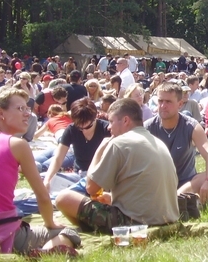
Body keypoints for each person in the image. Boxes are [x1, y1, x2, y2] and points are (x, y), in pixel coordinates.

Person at [0, 88, 80, 256]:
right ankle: (41, 252)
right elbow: (43, 196)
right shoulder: (17, 144)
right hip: (3, 232)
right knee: (70, 233)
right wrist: (50, 223)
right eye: (20, 109)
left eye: (27, 109)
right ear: (1, 112)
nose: (27, 114)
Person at [55, 98, 179, 232]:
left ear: (125, 120)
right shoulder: (157, 141)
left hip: (135, 222)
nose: (108, 127)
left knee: (64, 198)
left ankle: (91, 230)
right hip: (167, 218)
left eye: (111, 121)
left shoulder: (119, 143)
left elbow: (91, 188)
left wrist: (99, 151)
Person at [145, 82, 208, 204]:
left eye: (168, 102)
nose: (163, 106)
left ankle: (176, 200)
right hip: (158, 183)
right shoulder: (148, 127)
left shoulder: (191, 126)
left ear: (180, 104)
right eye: (160, 101)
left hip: (186, 182)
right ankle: (179, 201)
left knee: (207, 176)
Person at [43, 98, 111, 190]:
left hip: (99, 176)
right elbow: (58, 158)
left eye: (88, 127)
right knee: (43, 177)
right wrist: (47, 180)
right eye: (79, 127)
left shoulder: (106, 129)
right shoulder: (71, 129)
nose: (83, 130)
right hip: (79, 174)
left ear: (95, 117)